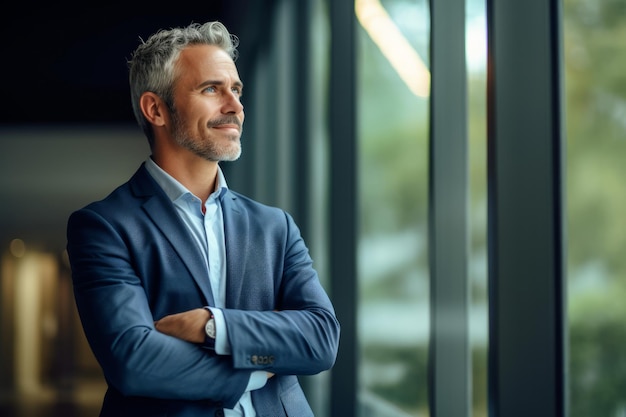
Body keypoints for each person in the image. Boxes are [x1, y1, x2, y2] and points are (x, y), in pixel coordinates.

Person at [66, 21, 340, 417]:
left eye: (237, 89)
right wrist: (256, 370)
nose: (235, 106)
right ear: (155, 109)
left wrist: (214, 327)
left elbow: (320, 340)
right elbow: (134, 360)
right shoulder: (104, 227)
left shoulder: (275, 226)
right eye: (212, 89)